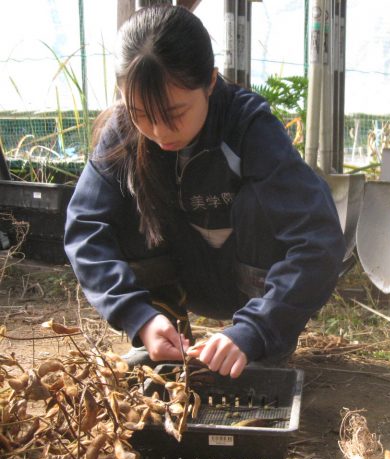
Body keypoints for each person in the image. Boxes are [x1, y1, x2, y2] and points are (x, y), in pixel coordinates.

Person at [65, 5, 345, 379]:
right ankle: (164, 330)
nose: (160, 132)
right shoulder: (123, 135)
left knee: (263, 203)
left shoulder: (249, 127)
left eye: (174, 113)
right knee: (123, 193)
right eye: (141, 114)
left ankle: (255, 344)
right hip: (181, 275)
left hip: (252, 289)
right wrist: (139, 316)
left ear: (210, 82)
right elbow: (85, 227)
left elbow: (319, 240)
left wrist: (256, 328)